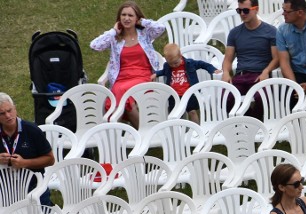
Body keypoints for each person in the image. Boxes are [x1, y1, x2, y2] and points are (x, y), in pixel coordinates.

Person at [90, 1, 166, 129]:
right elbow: (94, 45)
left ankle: (116, 131)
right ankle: (139, 133)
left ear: (137, 18)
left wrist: (143, 22)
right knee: (123, 94)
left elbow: (161, 28)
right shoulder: (115, 37)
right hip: (121, 78)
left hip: (142, 76)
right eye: (123, 15)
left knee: (122, 93)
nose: (126, 18)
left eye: (130, 15)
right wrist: (113, 31)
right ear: (119, 18)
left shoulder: (145, 34)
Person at [222, 0, 279, 119]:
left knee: (262, 98)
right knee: (225, 98)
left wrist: (266, 71)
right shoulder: (234, 33)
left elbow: (276, 58)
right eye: (239, 10)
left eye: (246, 10)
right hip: (241, 75)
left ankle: (253, 123)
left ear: (256, 9)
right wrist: (226, 73)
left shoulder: (270, 31)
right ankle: (250, 121)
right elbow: (228, 59)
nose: (242, 13)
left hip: (260, 75)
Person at [152, 43, 221, 124]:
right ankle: (181, 131)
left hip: (189, 93)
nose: (173, 65)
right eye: (170, 64)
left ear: (180, 56)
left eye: (175, 63)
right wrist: (156, 74)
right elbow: (164, 71)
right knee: (176, 113)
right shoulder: (167, 65)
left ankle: (196, 129)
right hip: (174, 95)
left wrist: (213, 69)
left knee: (192, 112)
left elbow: (203, 64)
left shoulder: (189, 63)